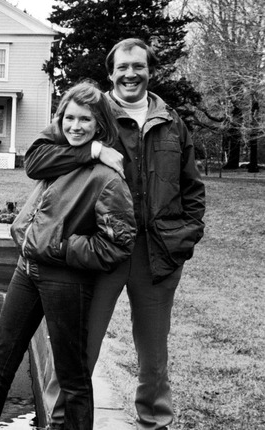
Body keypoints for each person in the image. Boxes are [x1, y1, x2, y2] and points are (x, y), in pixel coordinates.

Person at [25, 38, 206, 430]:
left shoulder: (171, 121)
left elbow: (192, 188)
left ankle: (154, 422)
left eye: (138, 66)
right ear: (111, 73)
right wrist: (93, 151)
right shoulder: (94, 112)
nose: (130, 74)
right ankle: (60, 422)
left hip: (157, 255)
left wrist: (185, 238)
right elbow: (36, 159)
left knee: (154, 356)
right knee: (79, 350)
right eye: (122, 67)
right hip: (101, 251)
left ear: (150, 71)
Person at [0, 81, 136, 430]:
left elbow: (118, 243)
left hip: (65, 279)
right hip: (26, 271)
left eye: (85, 119)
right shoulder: (57, 158)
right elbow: (34, 160)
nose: (75, 126)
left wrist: (62, 248)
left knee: (72, 377)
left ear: (99, 125)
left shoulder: (108, 178)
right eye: (69, 118)